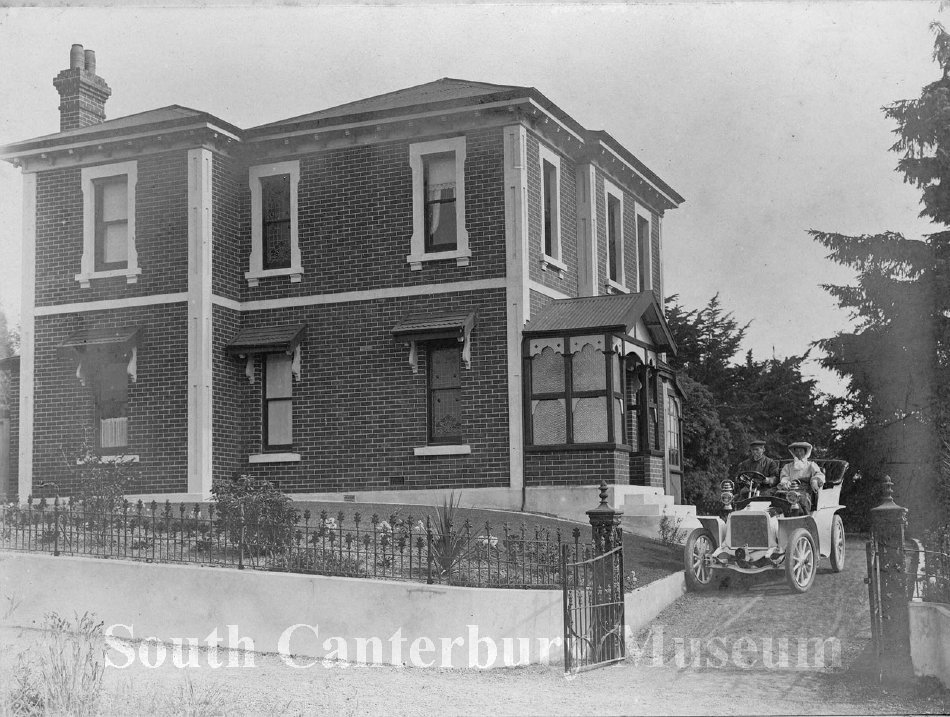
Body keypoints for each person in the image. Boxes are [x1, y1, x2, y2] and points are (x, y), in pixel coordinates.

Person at [777, 441, 825, 513]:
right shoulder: (788, 466)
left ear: (805, 452)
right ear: (794, 453)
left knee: (801, 498)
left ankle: (804, 516)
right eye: (796, 451)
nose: (799, 453)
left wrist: (815, 480)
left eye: (801, 451)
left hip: (806, 490)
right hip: (790, 489)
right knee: (779, 495)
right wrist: (785, 483)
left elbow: (818, 474)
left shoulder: (811, 465)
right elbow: (784, 477)